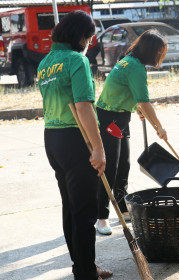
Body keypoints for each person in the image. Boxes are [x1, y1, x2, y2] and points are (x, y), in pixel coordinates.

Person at [37, 11, 112, 280]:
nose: (90, 43)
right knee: (84, 212)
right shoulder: (76, 60)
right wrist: (98, 147)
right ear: (80, 36)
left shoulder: (45, 62)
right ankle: (85, 274)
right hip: (74, 139)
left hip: (53, 140)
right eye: (89, 38)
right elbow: (83, 107)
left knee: (70, 207)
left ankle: (83, 267)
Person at [95, 29, 168, 235]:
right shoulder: (135, 67)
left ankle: (122, 207)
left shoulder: (129, 60)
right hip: (110, 118)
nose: (160, 56)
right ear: (151, 51)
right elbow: (144, 100)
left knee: (123, 165)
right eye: (159, 52)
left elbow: (127, 91)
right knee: (109, 168)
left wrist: (135, 107)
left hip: (120, 115)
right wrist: (159, 127)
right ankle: (101, 217)